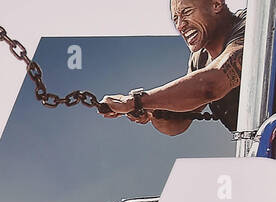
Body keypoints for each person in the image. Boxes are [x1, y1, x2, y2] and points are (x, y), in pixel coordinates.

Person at [100, 0, 246, 134]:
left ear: (216, 4)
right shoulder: (200, 59)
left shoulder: (252, 29)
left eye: (187, 12)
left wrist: (137, 101)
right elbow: (175, 125)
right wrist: (150, 109)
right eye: (175, 19)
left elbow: (209, 86)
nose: (180, 25)